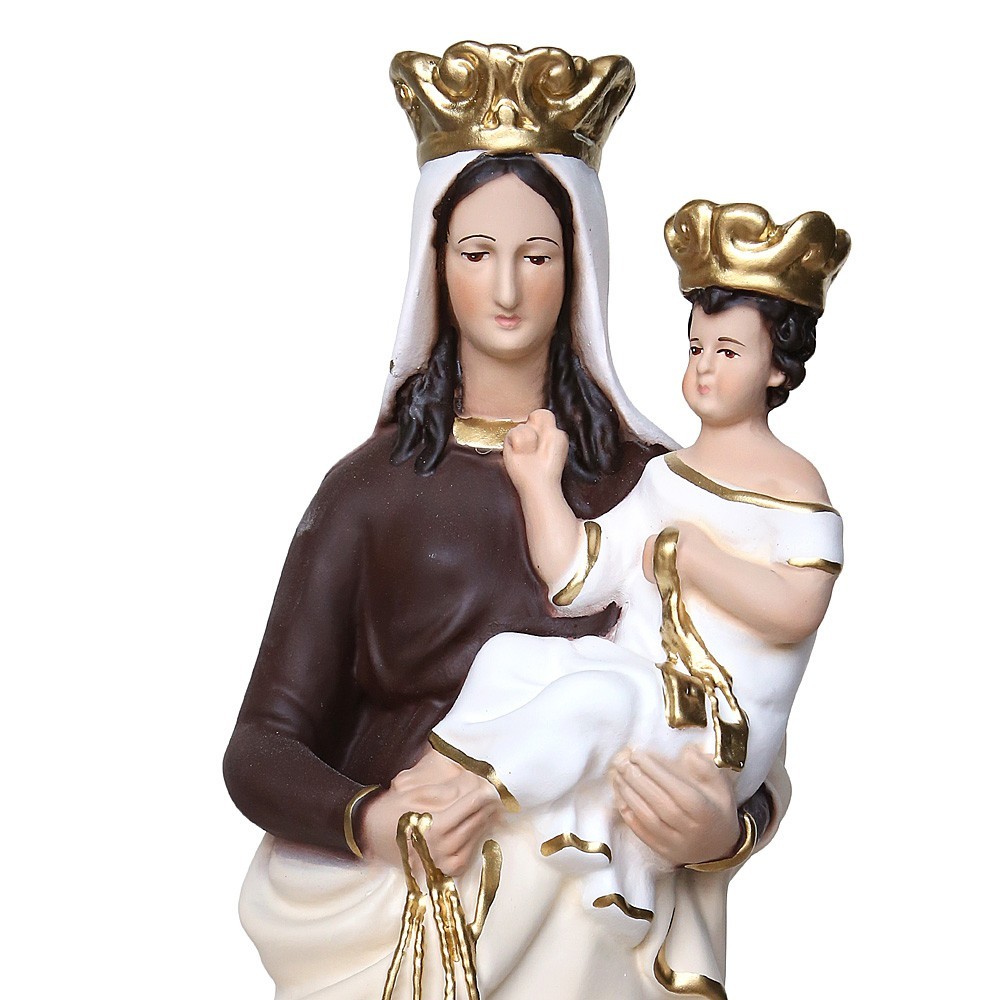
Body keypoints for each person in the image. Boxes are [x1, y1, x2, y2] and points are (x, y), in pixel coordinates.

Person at [224, 44, 789, 999]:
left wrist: (724, 828)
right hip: (421, 904)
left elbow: (751, 704)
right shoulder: (367, 493)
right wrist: (376, 821)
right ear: (434, 265)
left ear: (580, 267)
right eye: (476, 254)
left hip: (609, 916)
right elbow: (262, 747)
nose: (507, 291)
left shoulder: (656, 487)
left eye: (537, 256)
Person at [428, 201, 850, 988]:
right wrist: (539, 485)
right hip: (638, 686)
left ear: (777, 367)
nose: (704, 367)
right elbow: (582, 576)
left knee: (592, 700)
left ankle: (474, 793)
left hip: (706, 726)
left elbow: (797, 609)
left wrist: (698, 560)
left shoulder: (796, 490)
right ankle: (443, 770)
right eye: (697, 347)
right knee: (510, 656)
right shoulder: (665, 476)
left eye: (728, 350)